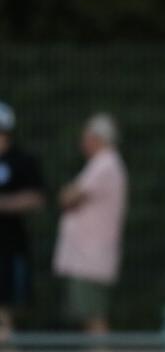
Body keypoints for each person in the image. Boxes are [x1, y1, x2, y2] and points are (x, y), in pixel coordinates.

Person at [52, 113, 128, 334]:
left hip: (90, 257)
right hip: (88, 256)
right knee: (90, 315)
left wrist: (67, 194)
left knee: (93, 316)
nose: (83, 142)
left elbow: (69, 197)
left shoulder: (105, 164)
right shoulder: (104, 164)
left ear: (97, 138)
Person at [0, 100, 45, 340]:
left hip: (11, 243)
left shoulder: (22, 160)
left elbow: (37, 198)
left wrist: (5, 204)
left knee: (8, 302)